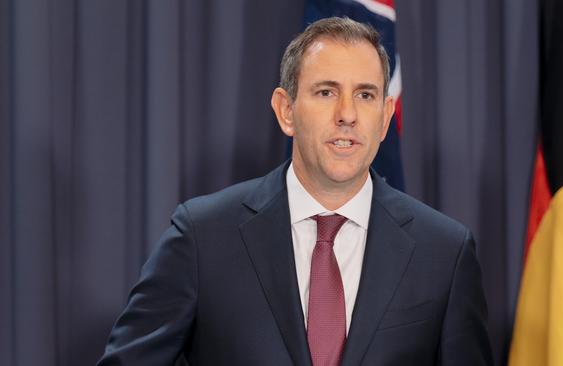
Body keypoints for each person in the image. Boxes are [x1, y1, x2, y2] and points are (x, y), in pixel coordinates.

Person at [97, 17, 493, 366]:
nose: (347, 114)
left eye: (365, 95)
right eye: (326, 92)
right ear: (286, 110)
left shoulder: (444, 252)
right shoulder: (202, 237)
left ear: (386, 116)